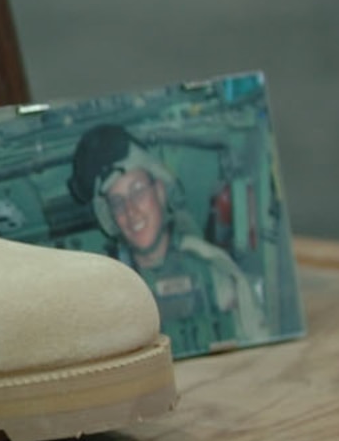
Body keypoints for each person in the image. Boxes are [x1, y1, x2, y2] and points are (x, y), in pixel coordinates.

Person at [68, 124, 269, 356]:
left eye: (138, 191)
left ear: (160, 192)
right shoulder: (106, 295)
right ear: (112, 217)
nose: (131, 211)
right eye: (118, 202)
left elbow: (261, 347)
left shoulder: (214, 269)